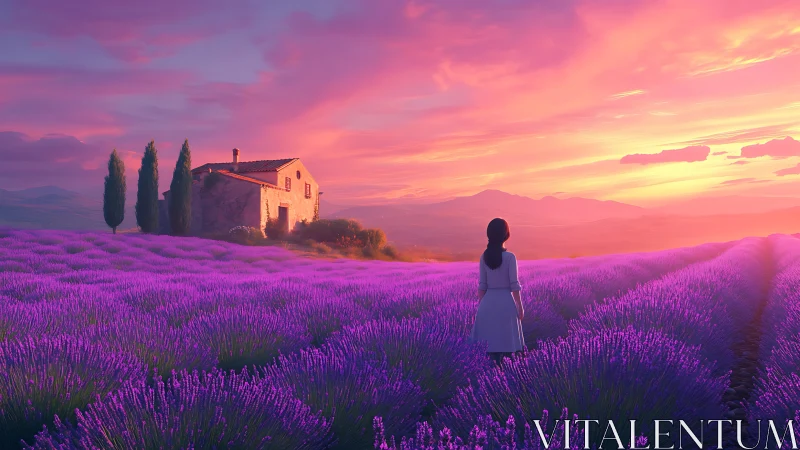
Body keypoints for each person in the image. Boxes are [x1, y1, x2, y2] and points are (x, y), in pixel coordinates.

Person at [470, 217, 525, 366]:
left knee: (489, 349)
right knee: (508, 349)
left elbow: (482, 286)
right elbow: (514, 285)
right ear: (505, 234)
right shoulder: (510, 258)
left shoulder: (484, 257)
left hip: (487, 304)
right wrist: (520, 306)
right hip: (506, 304)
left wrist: (480, 308)